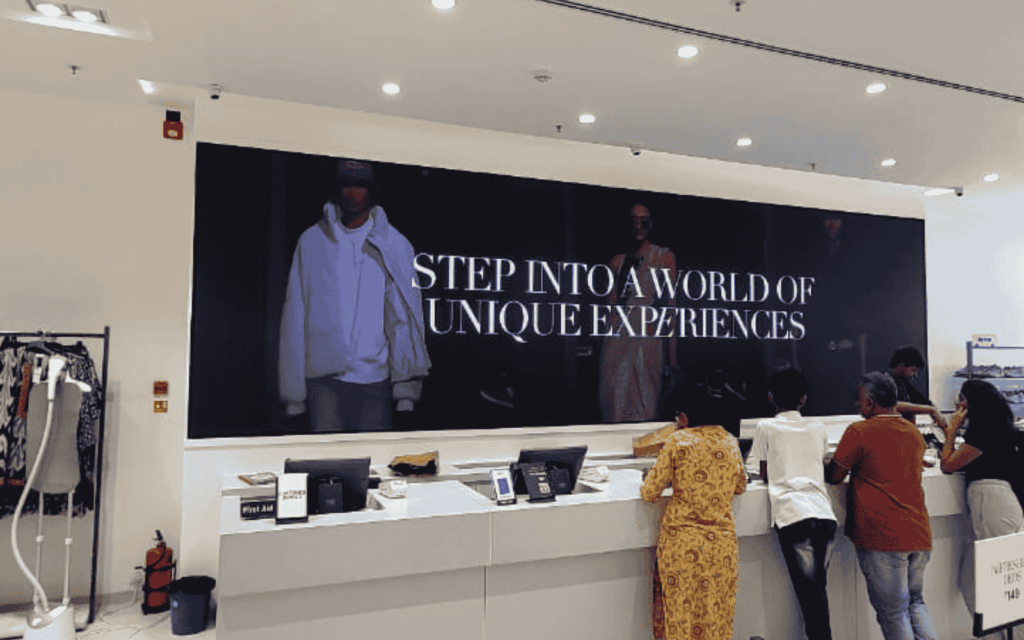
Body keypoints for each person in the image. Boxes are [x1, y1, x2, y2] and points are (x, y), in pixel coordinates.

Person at [278, 159, 431, 431]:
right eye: (346, 185)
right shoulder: (312, 242)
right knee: (326, 455)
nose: (353, 193)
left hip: (375, 379)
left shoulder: (393, 244)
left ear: (371, 190)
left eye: (360, 185)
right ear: (337, 189)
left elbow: (403, 318)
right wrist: (293, 396)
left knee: (371, 457)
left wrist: (405, 390)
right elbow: (295, 316)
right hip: (324, 379)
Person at [826, 371, 938, 640]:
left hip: (882, 535)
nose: (857, 405)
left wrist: (827, 461)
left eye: (859, 399)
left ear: (870, 402)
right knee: (915, 603)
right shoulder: (913, 433)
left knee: (894, 613)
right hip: (918, 533)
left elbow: (835, 476)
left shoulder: (859, 432)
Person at [640, 394, 747, 640]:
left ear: (684, 418)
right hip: (721, 547)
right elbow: (740, 486)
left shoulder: (678, 440)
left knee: (681, 617)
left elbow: (650, 492)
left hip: (682, 545)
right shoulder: (730, 441)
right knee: (717, 615)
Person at [749, 368, 837, 640]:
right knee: (816, 594)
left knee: (812, 599)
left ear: (771, 397)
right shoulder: (818, 427)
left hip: (793, 515)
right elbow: (823, 462)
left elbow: (761, 472)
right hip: (824, 515)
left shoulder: (766, 427)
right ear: (803, 399)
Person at [939, 379, 1023, 640]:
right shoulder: (1004, 428)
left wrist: (951, 431)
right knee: (992, 578)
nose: (957, 404)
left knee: (988, 579)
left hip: (991, 501)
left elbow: (947, 465)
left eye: (961, 400)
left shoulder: (983, 432)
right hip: (1003, 503)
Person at [599, 203, 677, 422]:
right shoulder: (618, 261)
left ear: (651, 223)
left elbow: (670, 308)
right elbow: (612, 308)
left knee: (646, 403)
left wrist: (672, 361)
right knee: (616, 403)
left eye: (644, 221)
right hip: (619, 339)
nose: (639, 226)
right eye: (634, 221)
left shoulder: (663, 257)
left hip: (647, 335)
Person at [889, 346, 946, 429]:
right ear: (902, 365)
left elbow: (922, 401)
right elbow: (891, 405)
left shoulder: (903, 383)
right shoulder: (884, 382)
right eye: (913, 370)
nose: (915, 375)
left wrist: (936, 412)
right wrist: (930, 409)